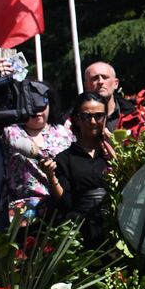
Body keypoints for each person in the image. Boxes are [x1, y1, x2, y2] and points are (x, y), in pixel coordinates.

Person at [40, 92, 114, 248]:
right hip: (82, 232)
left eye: (99, 116)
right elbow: (65, 203)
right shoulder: (64, 159)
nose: (93, 121)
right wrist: (51, 177)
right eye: (87, 116)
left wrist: (113, 148)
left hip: (115, 230)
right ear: (77, 119)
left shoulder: (115, 152)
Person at [1, 84, 72, 217]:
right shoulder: (11, 132)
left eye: (42, 106)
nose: (38, 112)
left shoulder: (64, 132)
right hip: (23, 210)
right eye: (33, 108)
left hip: (58, 204)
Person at [82, 61, 145, 135]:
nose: (100, 81)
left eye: (105, 77)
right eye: (95, 78)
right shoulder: (75, 123)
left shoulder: (139, 117)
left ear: (115, 84)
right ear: (86, 86)